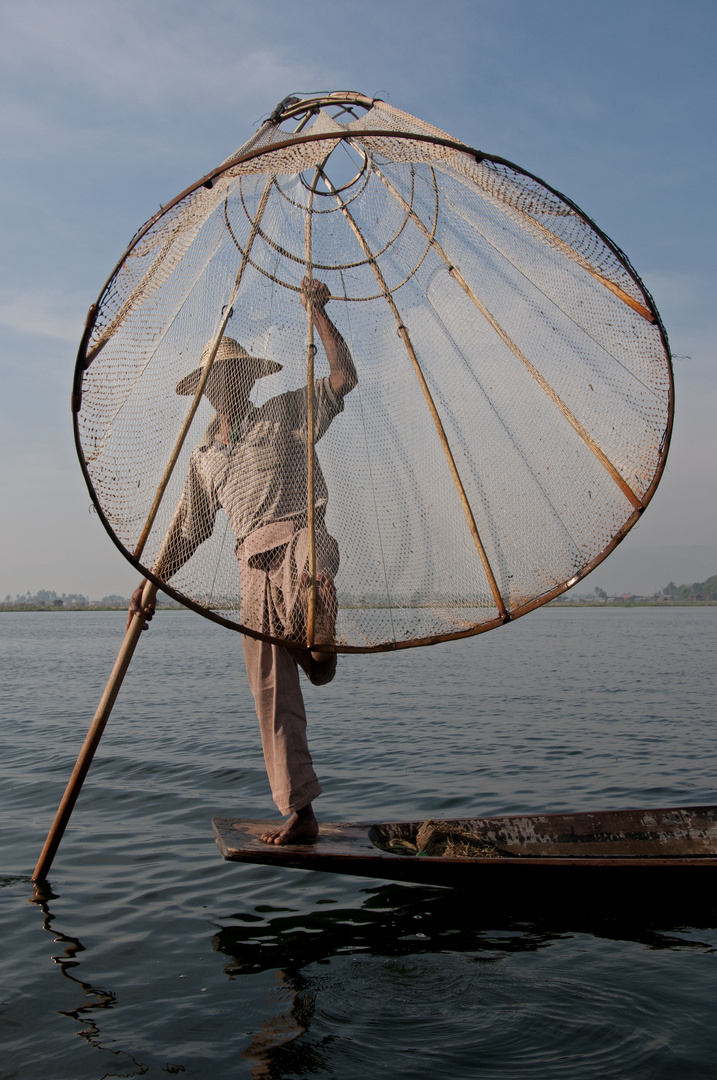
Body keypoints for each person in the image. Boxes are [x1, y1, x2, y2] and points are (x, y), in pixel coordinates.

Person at [128, 276, 357, 844]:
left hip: (301, 537)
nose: (223, 387)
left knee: (312, 572)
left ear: (247, 379)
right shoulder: (205, 457)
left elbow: (343, 378)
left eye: (231, 376)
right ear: (206, 390)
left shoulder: (285, 411)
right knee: (271, 692)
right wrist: (150, 585)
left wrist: (318, 313)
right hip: (250, 572)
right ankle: (301, 813)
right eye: (215, 381)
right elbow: (187, 530)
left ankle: (317, 631)